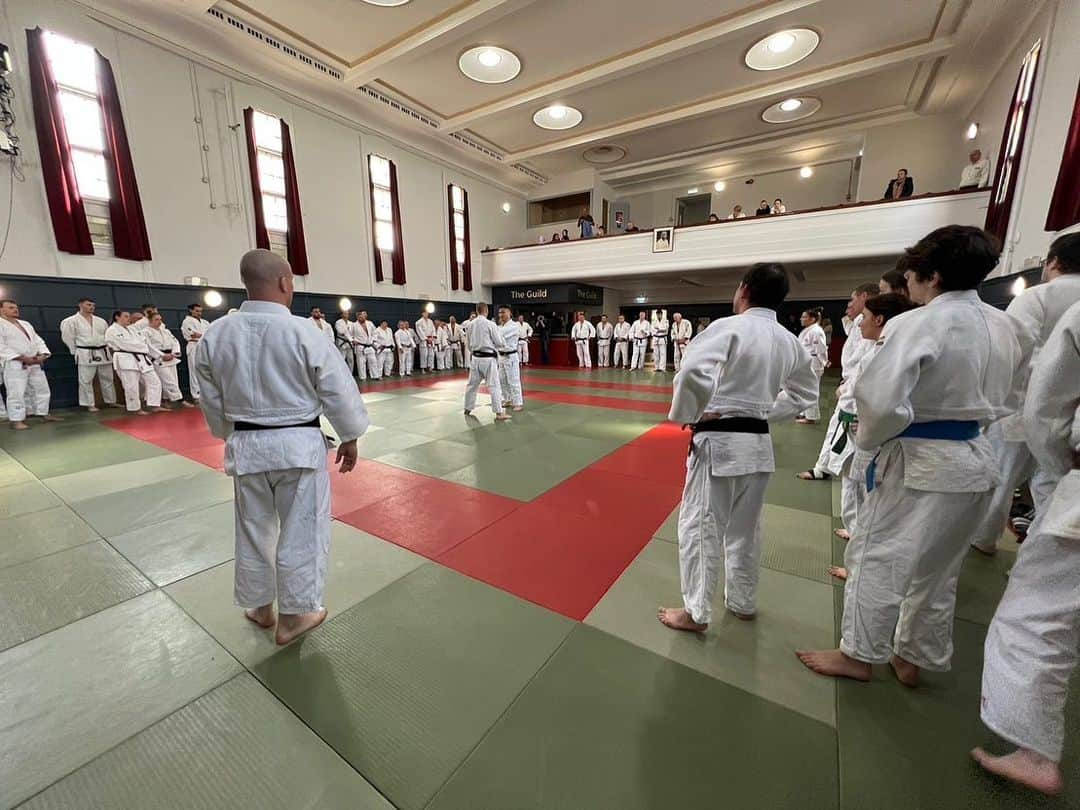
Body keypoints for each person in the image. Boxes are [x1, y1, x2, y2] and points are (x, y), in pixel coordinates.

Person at [796, 225, 1027, 686]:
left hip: (920, 459)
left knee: (877, 554)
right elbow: (1012, 396)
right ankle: (913, 655)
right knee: (939, 569)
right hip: (978, 459)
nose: (910, 284)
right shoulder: (1007, 325)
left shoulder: (918, 323)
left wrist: (872, 441)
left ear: (933, 275)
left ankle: (859, 654)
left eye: (914, 274)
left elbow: (879, 401)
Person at [192, 249, 369, 646]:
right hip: (298, 448)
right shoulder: (305, 332)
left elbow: (209, 397)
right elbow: (337, 388)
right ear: (286, 283)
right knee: (302, 529)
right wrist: (350, 435)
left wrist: (229, 433)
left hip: (247, 446)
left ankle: (259, 607)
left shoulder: (217, 334)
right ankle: (295, 615)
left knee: (253, 529)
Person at [658, 263, 817, 631]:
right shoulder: (789, 340)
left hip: (720, 445)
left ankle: (696, 613)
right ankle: (743, 600)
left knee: (701, 527)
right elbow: (805, 393)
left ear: (744, 289)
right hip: (759, 446)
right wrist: (762, 413)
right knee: (746, 529)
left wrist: (691, 414)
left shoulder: (729, 328)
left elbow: (693, 371)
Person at [972, 300, 1080, 797]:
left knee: (1035, 618)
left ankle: (1035, 753)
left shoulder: (1046, 302)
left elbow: (1045, 403)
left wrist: (1061, 474)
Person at [969, 232, 1080, 555]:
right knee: (1054, 486)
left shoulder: (1038, 297)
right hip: (1072, 417)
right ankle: (1039, 553)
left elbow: (1011, 354)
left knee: (1001, 478)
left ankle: (984, 538)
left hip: (1027, 404)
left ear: (1054, 261)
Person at [827, 294, 918, 553]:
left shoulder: (888, 354)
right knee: (851, 482)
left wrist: (869, 425)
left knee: (869, 494)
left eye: (864, 318)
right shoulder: (876, 348)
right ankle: (855, 532)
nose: (859, 324)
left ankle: (861, 545)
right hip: (859, 426)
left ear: (879, 319)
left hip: (871, 433)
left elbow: (886, 402)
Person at [796, 284, 879, 480]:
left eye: (852, 299)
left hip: (853, 384)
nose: (848, 305)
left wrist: (827, 365)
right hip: (849, 381)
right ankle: (823, 466)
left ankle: (828, 468)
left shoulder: (871, 321)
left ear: (864, 296)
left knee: (846, 431)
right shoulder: (859, 320)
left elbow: (861, 360)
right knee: (837, 426)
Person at [0, 299, 59, 430]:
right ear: (1, 309)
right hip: (14, 363)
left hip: (34, 361)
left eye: (16, 307)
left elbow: (38, 340)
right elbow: (1, 347)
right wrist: (22, 358)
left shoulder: (25, 323)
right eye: (10, 308)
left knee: (42, 388)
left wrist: (43, 354)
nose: (15, 310)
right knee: (16, 392)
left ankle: (44, 413)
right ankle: (16, 420)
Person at [60, 297, 118, 412]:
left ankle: (111, 401)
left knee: (108, 378)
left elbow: (107, 336)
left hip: (103, 351)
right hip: (85, 352)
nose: (91, 307)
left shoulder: (101, 321)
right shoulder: (70, 321)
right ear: (80, 305)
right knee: (86, 380)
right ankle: (89, 404)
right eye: (88, 305)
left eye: (93, 305)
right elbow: (67, 337)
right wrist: (75, 351)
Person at [106, 311, 166, 415]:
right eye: (125, 316)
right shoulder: (111, 330)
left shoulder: (132, 329)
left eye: (129, 317)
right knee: (131, 385)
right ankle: (135, 408)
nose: (128, 318)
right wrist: (141, 346)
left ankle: (154, 405)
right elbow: (125, 345)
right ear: (117, 317)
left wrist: (141, 346)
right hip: (125, 358)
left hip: (142, 358)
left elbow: (144, 341)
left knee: (154, 381)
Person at [463, 303, 510, 421]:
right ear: (486, 311)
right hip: (488, 359)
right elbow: (499, 342)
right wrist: (502, 344)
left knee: (471, 385)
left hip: (475, 358)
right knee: (494, 386)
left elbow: (467, 344)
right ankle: (499, 413)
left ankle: (467, 408)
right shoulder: (490, 324)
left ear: (477, 311)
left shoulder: (470, 325)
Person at [145, 312, 195, 409]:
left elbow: (175, 341)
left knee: (173, 380)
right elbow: (148, 346)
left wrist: (174, 353)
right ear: (150, 321)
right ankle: (181, 400)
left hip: (171, 357)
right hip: (158, 359)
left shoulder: (165, 331)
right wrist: (162, 355)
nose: (159, 321)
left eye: (160, 319)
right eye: (156, 319)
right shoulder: (146, 332)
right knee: (169, 380)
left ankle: (165, 400)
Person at [796, 308, 829, 425]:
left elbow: (820, 349)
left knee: (810, 390)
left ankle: (811, 417)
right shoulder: (808, 330)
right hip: (806, 363)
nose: (801, 319)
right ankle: (805, 413)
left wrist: (824, 362)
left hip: (813, 364)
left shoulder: (816, 331)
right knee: (804, 389)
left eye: (804, 317)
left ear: (813, 319)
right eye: (802, 316)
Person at [181, 304, 212, 402]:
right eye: (197, 311)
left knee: (206, 370)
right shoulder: (187, 322)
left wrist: (201, 335)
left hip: (205, 346)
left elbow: (211, 333)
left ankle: (206, 394)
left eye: (200, 311)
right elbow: (193, 334)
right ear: (191, 310)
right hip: (193, 346)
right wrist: (204, 335)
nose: (199, 313)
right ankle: (196, 395)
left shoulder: (205, 322)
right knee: (194, 371)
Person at [497, 306, 524, 412]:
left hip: (511, 356)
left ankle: (518, 403)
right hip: (501, 356)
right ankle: (507, 399)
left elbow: (499, 337)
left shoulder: (514, 325)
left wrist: (495, 335)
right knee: (502, 380)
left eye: (503, 312)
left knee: (513, 380)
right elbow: (497, 339)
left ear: (509, 313)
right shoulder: (499, 326)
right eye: (499, 313)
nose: (501, 315)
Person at [352, 310, 379, 381]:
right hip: (360, 346)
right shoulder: (354, 325)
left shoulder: (370, 323)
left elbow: (375, 332)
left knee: (373, 361)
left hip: (370, 345)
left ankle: (375, 375)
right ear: (357, 317)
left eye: (363, 316)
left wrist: (373, 339)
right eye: (360, 317)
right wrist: (352, 340)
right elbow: (349, 334)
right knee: (361, 362)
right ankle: (363, 377)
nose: (362, 318)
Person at [334, 309, 356, 375]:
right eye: (345, 313)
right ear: (341, 315)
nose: (346, 314)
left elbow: (353, 333)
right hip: (342, 342)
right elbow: (341, 332)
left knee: (351, 360)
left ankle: (350, 374)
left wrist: (352, 339)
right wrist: (349, 336)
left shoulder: (351, 323)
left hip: (350, 343)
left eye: (347, 313)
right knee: (342, 359)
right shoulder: (338, 322)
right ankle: (341, 374)